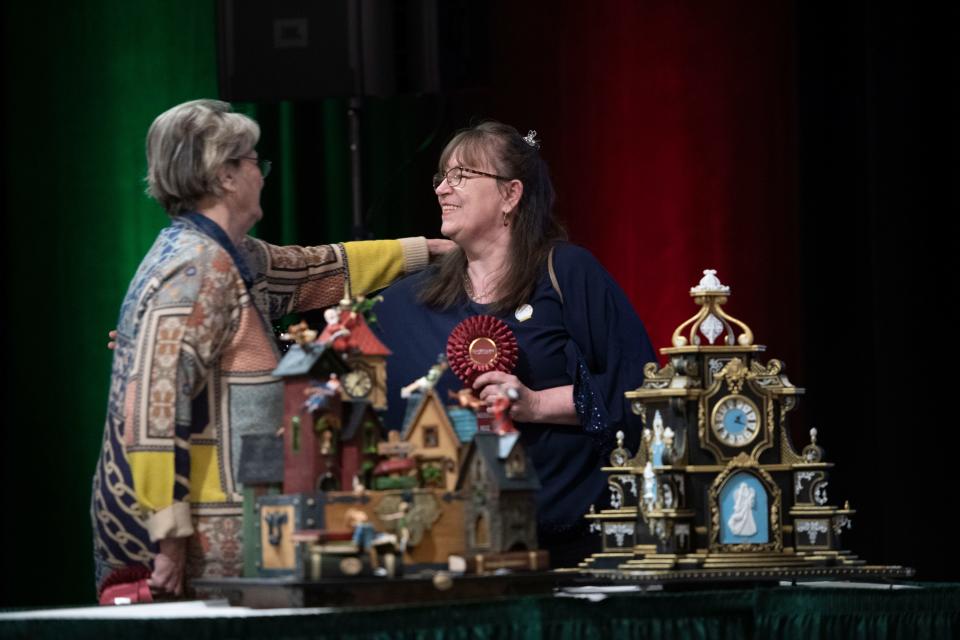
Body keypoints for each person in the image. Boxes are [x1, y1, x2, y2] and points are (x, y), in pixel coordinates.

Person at [91, 99, 450, 599]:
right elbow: (152, 406)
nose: (263, 175)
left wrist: (425, 252)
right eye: (254, 162)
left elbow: (313, 270)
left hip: (226, 531)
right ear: (225, 176)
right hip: (195, 549)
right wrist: (168, 538)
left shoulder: (232, 255)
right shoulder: (194, 270)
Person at [373, 122, 657, 567]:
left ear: (511, 195)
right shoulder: (417, 299)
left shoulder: (568, 272)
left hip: (573, 550)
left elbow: (643, 391)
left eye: (461, 176)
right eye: (441, 178)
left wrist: (537, 403)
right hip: (460, 549)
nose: (443, 189)